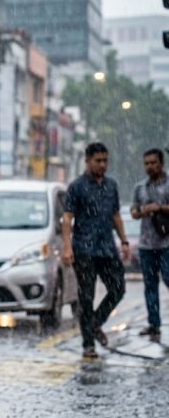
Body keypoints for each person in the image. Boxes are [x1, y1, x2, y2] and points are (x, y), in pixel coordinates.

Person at [61, 142, 130, 360]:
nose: (102, 165)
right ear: (87, 161)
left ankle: (96, 323)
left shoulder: (111, 186)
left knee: (118, 289)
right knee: (86, 297)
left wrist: (124, 241)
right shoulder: (76, 187)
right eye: (98, 161)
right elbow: (67, 218)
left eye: (105, 160)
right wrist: (66, 247)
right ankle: (88, 344)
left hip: (107, 248)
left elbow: (116, 216)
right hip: (84, 249)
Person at [130, 148, 169, 341]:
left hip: (166, 244)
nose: (150, 167)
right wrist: (142, 210)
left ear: (161, 163)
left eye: (153, 163)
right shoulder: (140, 188)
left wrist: (160, 208)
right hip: (146, 245)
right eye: (146, 163)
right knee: (150, 285)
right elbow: (133, 211)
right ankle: (154, 324)